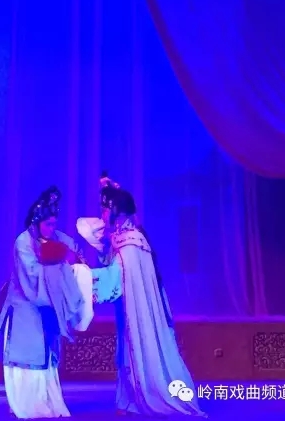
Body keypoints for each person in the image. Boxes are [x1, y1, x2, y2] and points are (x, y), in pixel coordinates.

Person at [77, 178, 205, 417]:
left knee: (136, 347)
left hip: (138, 312)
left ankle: (144, 397)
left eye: (106, 209)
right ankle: (128, 401)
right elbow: (105, 251)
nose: (102, 214)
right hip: (128, 310)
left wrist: (82, 276)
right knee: (127, 349)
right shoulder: (123, 238)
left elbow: (115, 279)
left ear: (118, 211)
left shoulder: (132, 242)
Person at [0, 186, 92, 419]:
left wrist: (73, 263)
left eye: (54, 224)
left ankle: (48, 402)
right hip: (25, 307)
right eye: (48, 224)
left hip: (48, 309)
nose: (52, 228)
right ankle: (25, 405)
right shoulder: (23, 242)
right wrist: (60, 269)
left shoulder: (57, 238)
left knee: (47, 357)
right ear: (36, 222)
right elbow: (32, 275)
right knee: (29, 356)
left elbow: (75, 253)